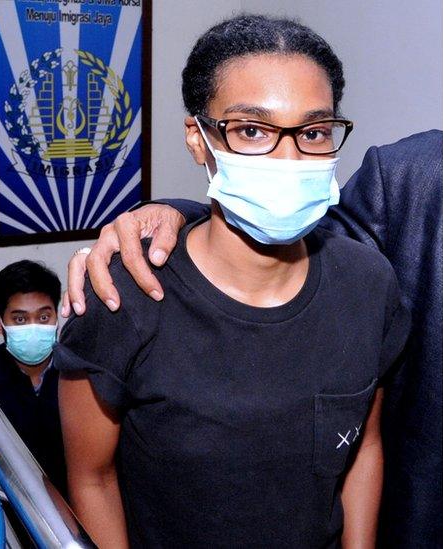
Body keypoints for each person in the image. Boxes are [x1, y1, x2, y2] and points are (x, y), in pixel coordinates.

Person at [53, 15, 410, 548]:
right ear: (198, 138)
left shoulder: (367, 285)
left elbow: (364, 447)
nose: (288, 159)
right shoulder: (124, 293)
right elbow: (91, 476)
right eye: (251, 130)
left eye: (312, 132)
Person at [0, 259, 67, 496]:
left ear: (57, 317)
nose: (33, 327)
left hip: (74, 511)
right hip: (6, 509)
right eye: (20, 319)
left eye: (43, 317)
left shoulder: (78, 375)